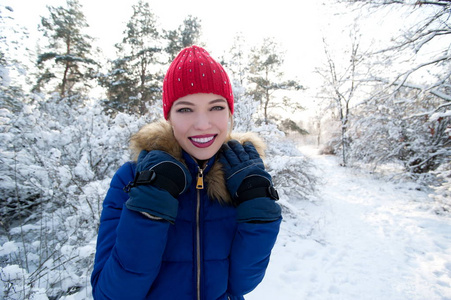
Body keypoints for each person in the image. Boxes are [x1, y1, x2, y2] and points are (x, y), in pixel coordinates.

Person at [91, 45, 282, 300]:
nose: (203, 124)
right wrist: (150, 205)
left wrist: (258, 207)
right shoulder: (131, 178)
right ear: (168, 116)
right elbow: (110, 295)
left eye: (216, 107)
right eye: (185, 109)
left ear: (230, 113)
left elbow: (240, 285)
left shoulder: (240, 178)